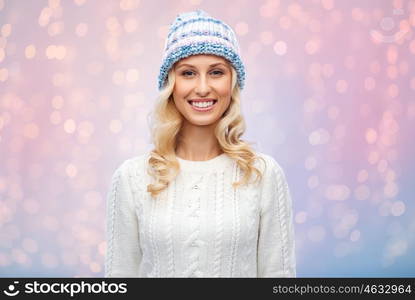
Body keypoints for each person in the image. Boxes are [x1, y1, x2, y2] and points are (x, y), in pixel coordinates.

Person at [105, 9, 296, 278]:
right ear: (170, 84)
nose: (203, 88)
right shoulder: (131, 178)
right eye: (188, 73)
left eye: (216, 72)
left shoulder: (263, 175)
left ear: (232, 82)